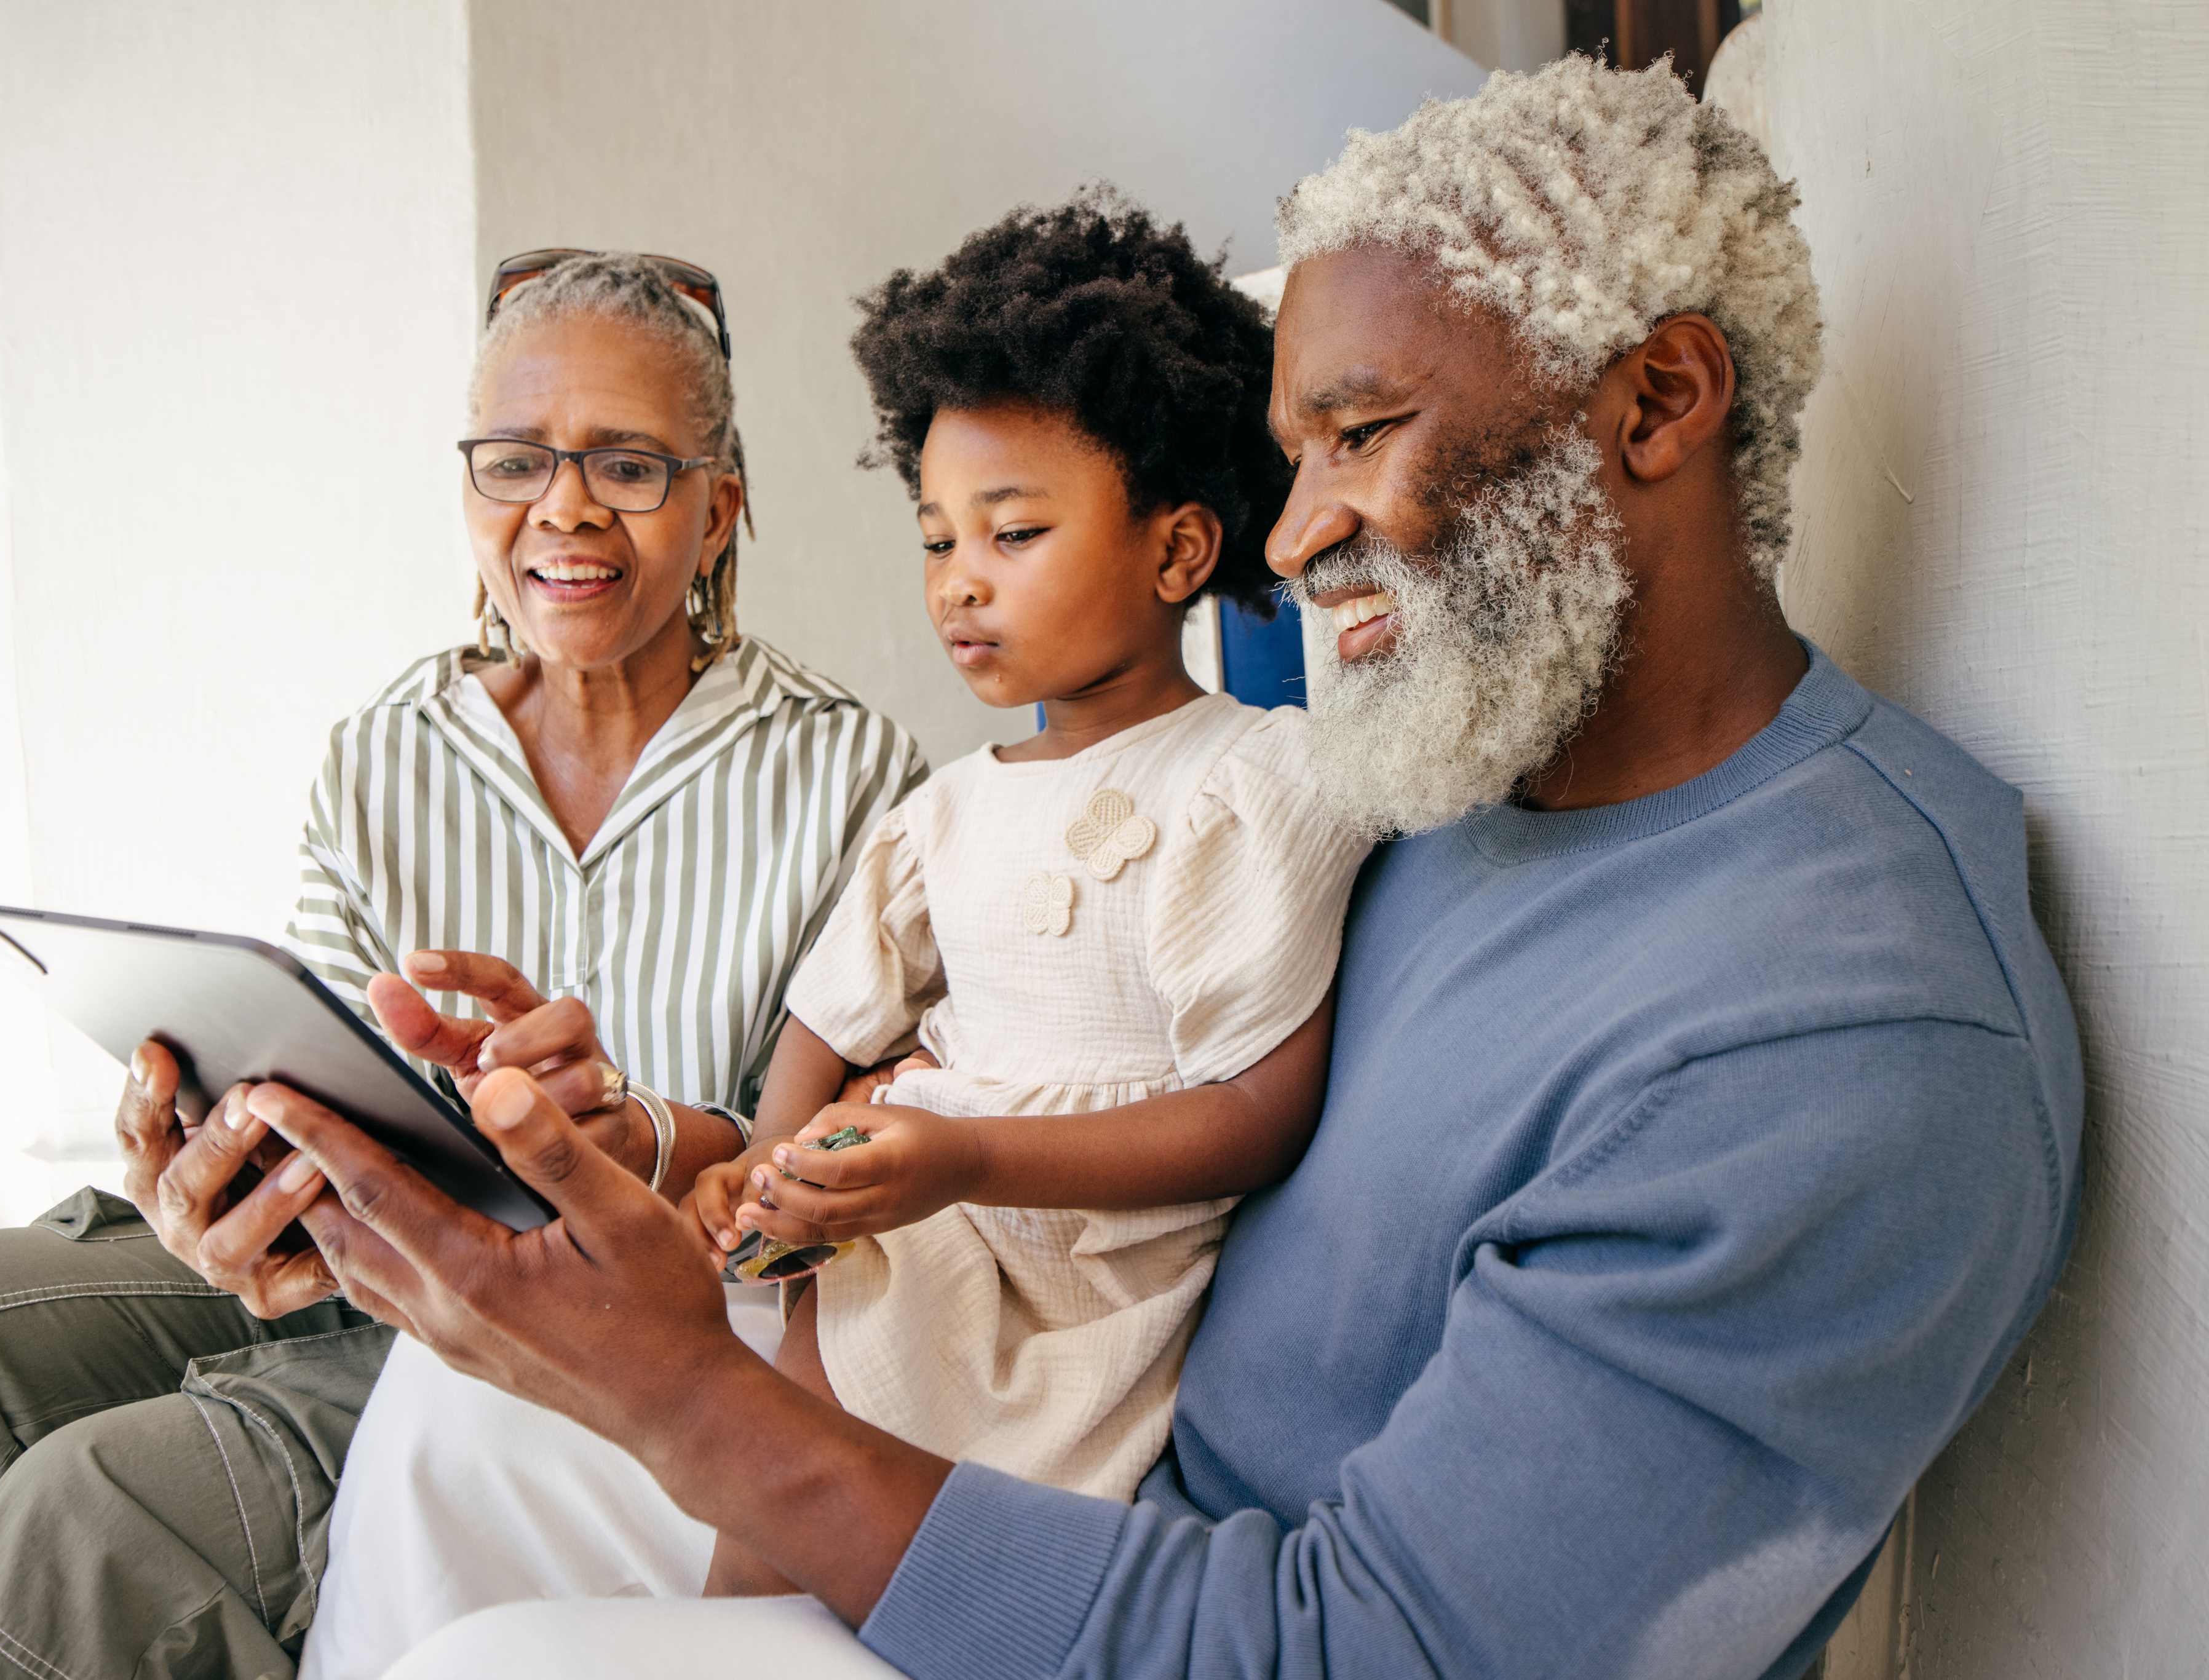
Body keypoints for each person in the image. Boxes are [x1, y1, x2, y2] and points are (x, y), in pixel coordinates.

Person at [244, 57, 2083, 1680]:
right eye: (1293, 454)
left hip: (1178, 1595)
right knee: (451, 1418)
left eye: (1363, 435)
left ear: (1660, 400)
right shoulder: (1456, 778)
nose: (1296, 534)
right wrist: (649, 1149)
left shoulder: (1838, 1039)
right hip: (1055, 1449)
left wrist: (693, 1392)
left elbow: (1358, 1647)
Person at [0, 251, 923, 1680]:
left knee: (88, 1509)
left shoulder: (850, 775)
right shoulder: (388, 755)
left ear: (718, 507)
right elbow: (321, 1051)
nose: (562, 508)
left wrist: (638, 1136)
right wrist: (217, 1174)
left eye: (627, 465)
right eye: (514, 461)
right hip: (352, 1252)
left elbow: (824, 1162)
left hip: (584, 1313)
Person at [677, 194, 1370, 1592]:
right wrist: (766, 1157)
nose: (958, 586)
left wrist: (969, 1160)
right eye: (937, 540)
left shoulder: (1248, 775)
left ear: (1175, 553)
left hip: (1084, 1273)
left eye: (1011, 534)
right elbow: (833, 1004)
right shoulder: (945, 805)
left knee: (828, 1392)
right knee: (790, 1383)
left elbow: (1253, 1109)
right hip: (922, 1210)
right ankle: (734, 1623)